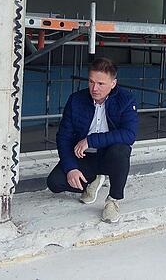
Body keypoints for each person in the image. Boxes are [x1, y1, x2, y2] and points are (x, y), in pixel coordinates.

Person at [46, 57, 138, 223]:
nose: (94, 88)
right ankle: (93, 179)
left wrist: (91, 140)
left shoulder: (126, 99)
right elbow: (64, 136)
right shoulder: (76, 100)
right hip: (84, 156)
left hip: (108, 154)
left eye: (101, 84)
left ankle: (113, 200)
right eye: (91, 82)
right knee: (54, 182)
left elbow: (129, 135)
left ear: (113, 83)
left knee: (121, 150)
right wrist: (71, 168)